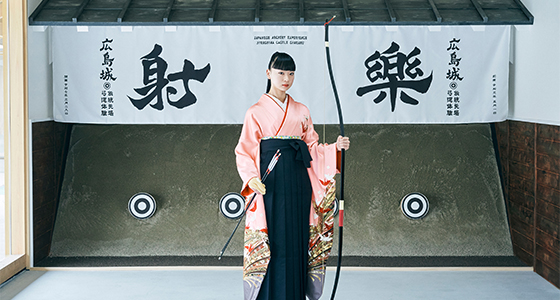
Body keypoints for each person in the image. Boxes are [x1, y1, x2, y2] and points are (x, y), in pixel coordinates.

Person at [235, 52, 350, 300]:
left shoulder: (301, 111)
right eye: (281, 73)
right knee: (273, 241)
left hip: (299, 183)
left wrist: (334, 149)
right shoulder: (255, 112)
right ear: (269, 74)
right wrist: (251, 178)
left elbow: (312, 148)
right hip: (271, 185)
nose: (286, 78)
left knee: (297, 238)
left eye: (290, 73)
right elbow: (244, 151)